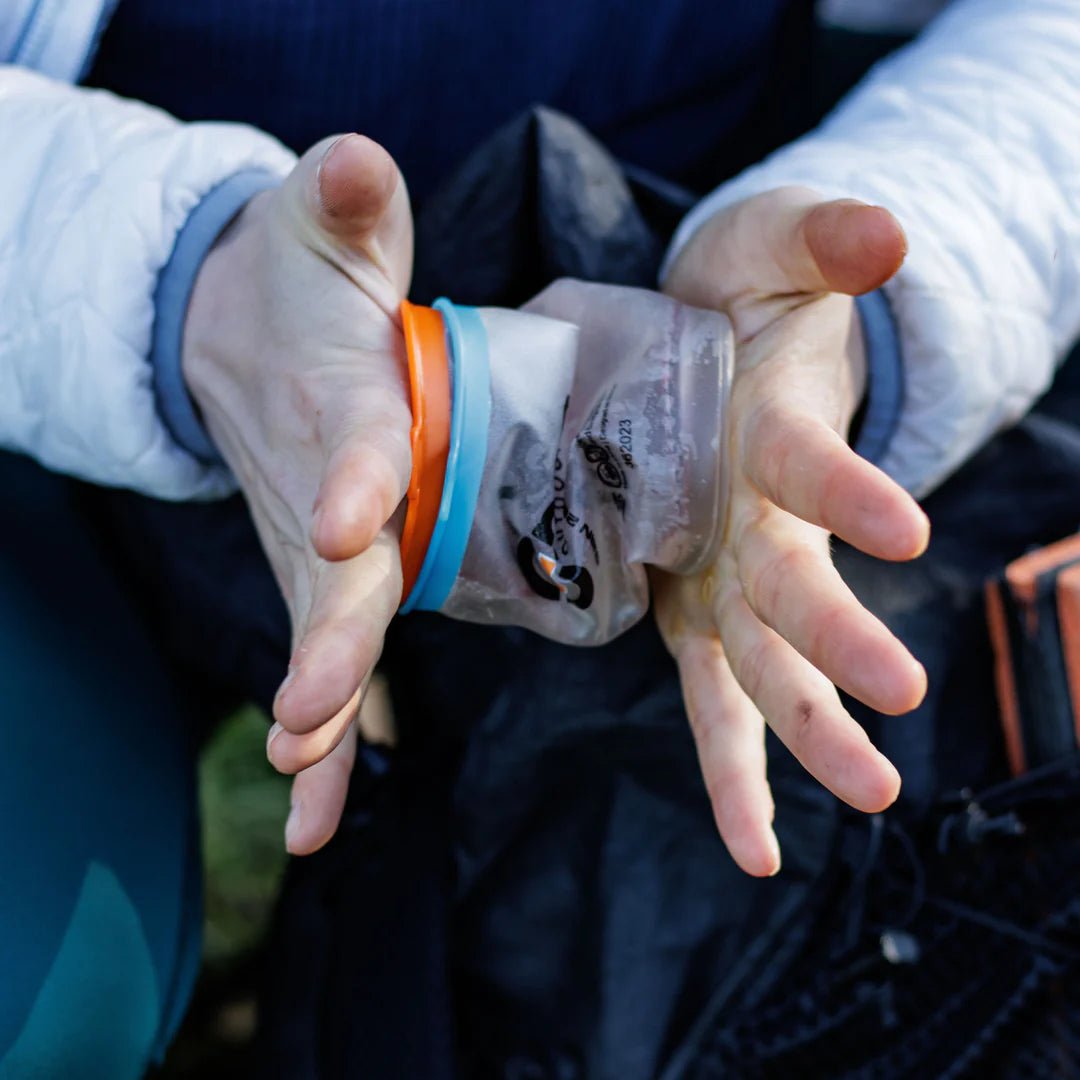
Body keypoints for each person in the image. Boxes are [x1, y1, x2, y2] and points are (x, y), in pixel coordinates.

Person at [0, 0, 1077, 1075]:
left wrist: (860, 321)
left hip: (720, 284)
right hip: (85, 352)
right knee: (37, 982)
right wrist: (192, 285)